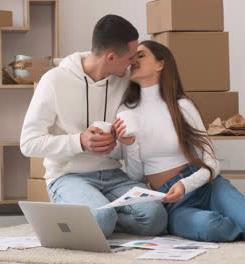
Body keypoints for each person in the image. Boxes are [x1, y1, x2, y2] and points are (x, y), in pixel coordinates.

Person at [113, 40, 245, 242]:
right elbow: (135, 176)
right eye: (132, 58)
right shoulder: (126, 111)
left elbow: (212, 163)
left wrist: (185, 184)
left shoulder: (182, 106)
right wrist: (130, 145)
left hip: (205, 185)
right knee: (212, 228)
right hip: (170, 201)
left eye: (141, 55)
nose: (133, 61)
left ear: (160, 64)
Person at [20, 15, 167, 237]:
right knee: (101, 220)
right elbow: (28, 144)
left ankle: (96, 213)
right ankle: (96, 213)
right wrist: (80, 141)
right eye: (129, 57)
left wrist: (122, 141)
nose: (132, 63)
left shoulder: (124, 82)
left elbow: (125, 144)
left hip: (114, 176)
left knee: (156, 218)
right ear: (110, 57)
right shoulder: (54, 81)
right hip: (68, 176)